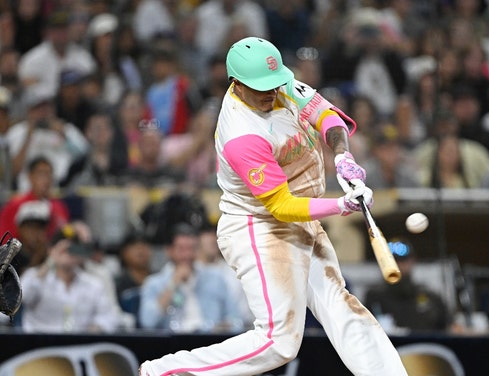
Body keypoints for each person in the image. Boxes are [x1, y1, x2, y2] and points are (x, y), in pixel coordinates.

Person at [139, 37, 406, 376]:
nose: (270, 92)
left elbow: (328, 116)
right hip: (258, 227)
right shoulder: (241, 133)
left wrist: (342, 156)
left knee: (341, 305)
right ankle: (162, 373)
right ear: (236, 83)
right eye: (260, 87)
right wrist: (340, 204)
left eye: (273, 83)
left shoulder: (281, 85)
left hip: (302, 217)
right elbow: (281, 206)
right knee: (279, 342)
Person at [139, 223, 245, 333]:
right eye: (181, 249)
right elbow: (147, 322)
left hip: (210, 341)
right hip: (173, 343)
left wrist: (224, 326)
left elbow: (237, 319)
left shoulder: (215, 278)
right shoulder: (154, 283)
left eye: (192, 248)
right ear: (169, 251)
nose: (187, 255)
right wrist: (173, 283)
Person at [19, 222, 121, 333]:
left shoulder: (93, 283)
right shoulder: (34, 276)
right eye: (62, 249)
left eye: (72, 248)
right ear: (51, 250)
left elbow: (110, 316)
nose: (68, 252)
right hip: (40, 344)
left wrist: (96, 328)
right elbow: (21, 299)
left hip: (80, 345)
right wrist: (49, 263)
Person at [364, 238, 449, 333]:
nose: (398, 266)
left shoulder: (430, 297)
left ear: (412, 261)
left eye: (403, 261)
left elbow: (449, 328)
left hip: (426, 346)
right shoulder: (374, 298)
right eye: (392, 261)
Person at [0, 156, 69, 240]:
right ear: (30, 176)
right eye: (41, 173)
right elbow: (4, 241)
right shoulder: (14, 206)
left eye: (49, 174)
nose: (46, 179)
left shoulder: (59, 206)